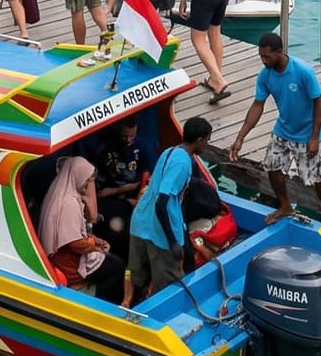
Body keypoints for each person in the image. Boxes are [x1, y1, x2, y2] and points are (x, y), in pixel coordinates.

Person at [230, 32, 321, 234]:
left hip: (306, 134)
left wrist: (314, 137)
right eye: (260, 56)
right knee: (272, 166)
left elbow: (319, 102)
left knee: (316, 177)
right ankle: (285, 205)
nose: (263, 60)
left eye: (266, 56)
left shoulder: (303, 71)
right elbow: (257, 106)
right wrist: (240, 138)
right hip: (283, 131)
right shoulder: (265, 75)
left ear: (279, 52)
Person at [124, 116, 214, 307]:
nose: (207, 144)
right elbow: (162, 202)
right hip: (160, 230)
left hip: (140, 221)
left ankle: (131, 304)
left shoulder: (169, 151)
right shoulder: (183, 164)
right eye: (207, 140)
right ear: (199, 140)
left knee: (136, 272)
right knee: (169, 282)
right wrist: (173, 242)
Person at [39, 153, 124, 302]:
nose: (87, 185)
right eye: (86, 180)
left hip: (60, 258)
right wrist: (95, 245)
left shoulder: (57, 193)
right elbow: (75, 243)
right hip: (70, 266)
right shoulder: (69, 203)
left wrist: (93, 240)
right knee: (117, 267)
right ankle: (104, 305)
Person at [91, 120, 157, 248]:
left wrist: (123, 191)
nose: (128, 139)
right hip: (111, 202)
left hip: (136, 198)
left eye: (132, 135)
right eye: (125, 136)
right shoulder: (105, 149)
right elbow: (99, 189)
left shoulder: (143, 147)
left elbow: (148, 178)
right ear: (117, 130)